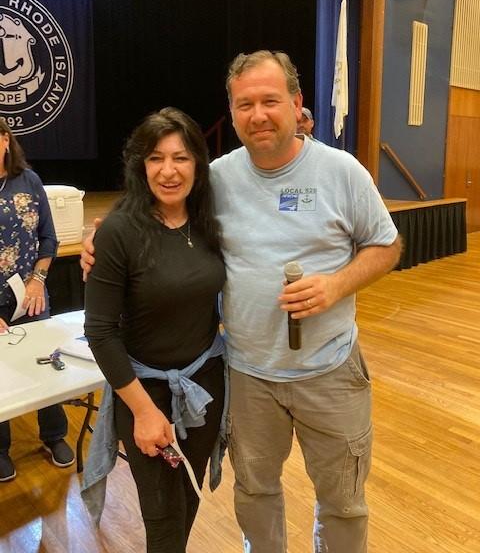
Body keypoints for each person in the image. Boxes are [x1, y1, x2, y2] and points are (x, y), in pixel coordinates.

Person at [81, 51, 401, 552]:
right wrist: (102, 237)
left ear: (296, 102)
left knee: (343, 502)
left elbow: (387, 246)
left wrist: (336, 285)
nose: (258, 115)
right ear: (231, 113)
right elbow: (157, 209)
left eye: (270, 100)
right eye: (244, 104)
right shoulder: (218, 178)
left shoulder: (341, 171)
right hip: (248, 376)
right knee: (255, 494)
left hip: (330, 371)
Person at [81, 108, 226, 553]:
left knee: (188, 496)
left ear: (197, 163)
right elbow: (100, 331)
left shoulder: (207, 222)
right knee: (162, 517)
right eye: (156, 158)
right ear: (140, 166)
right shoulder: (119, 231)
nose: (168, 171)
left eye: (180, 158)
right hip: (144, 394)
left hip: (204, 387)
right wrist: (144, 412)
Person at [0, 117, 75, 483]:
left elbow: (48, 238)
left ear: (5, 140)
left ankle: (54, 435)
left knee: (45, 363)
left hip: (30, 295)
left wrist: (37, 280)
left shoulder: (29, 181)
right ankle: (0, 449)